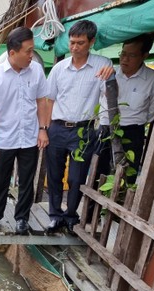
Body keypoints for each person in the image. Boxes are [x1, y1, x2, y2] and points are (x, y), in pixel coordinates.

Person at [0, 27, 49, 235]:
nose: (31, 55)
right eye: (27, 51)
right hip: (4, 138)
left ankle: (22, 219)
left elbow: (41, 101)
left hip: (29, 137)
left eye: (32, 50)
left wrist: (43, 129)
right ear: (12, 53)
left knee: (27, 180)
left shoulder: (36, 70)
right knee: (0, 179)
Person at [45, 20, 113, 233]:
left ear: (91, 42)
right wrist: (44, 129)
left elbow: (107, 96)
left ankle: (71, 214)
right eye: (72, 42)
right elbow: (49, 100)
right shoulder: (59, 69)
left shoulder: (102, 65)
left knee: (76, 176)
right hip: (57, 127)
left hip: (83, 130)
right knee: (55, 175)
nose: (74, 47)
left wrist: (104, 124)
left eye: (80, 43)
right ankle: (55, 215)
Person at [98, 34, 154, 183]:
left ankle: (119, 205)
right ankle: (93, 206)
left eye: (131, 55)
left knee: (126, 177)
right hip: (106, 130)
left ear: (144, 55)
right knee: (99, 173)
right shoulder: (110, 74)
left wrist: (132, 122)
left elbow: (153, 112)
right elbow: (100, 99)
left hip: (132, 133)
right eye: (123, 54)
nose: (125, 59)